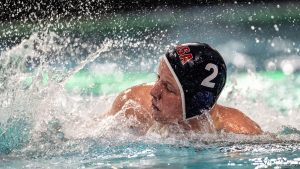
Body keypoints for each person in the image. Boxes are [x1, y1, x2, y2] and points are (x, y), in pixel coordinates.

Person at [105, 42, 262, 135]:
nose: (153, 92)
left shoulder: (237, 132)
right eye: (158, 78)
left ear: (195, 103)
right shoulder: (134, 105)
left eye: (168, 87)